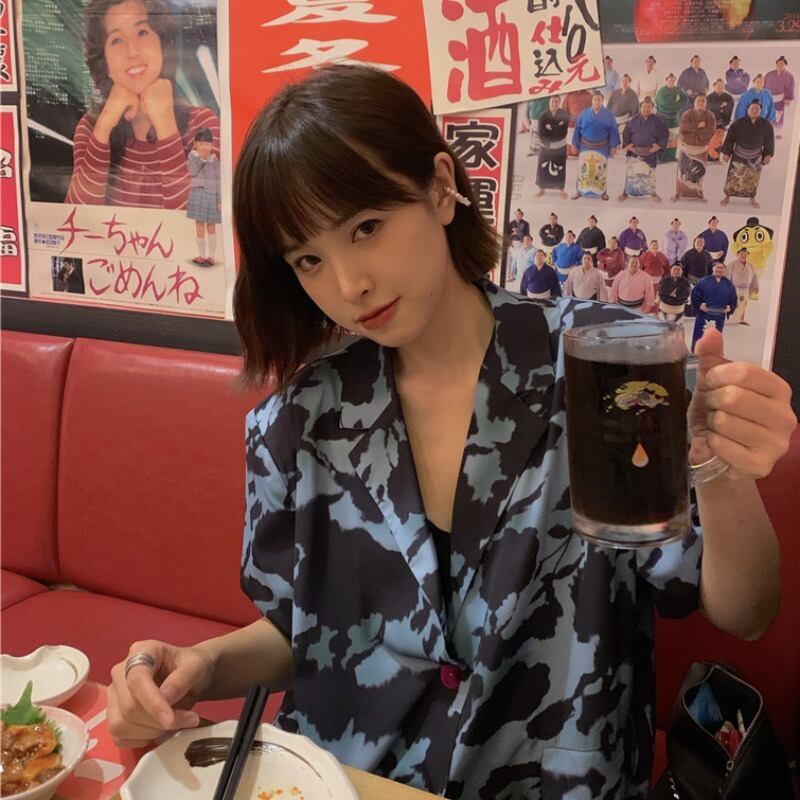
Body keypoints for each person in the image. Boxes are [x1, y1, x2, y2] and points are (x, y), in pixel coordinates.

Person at [106, 64, 796, 800]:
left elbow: (746, 612)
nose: (348, 284)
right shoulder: (299, 419)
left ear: (440, 187)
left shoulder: (604, 368)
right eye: (309, 259)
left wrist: (722, 472)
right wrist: (202, 666)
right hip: (347, 783)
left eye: (365, 228)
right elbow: (297, 630)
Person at [65, 0, 220, 208]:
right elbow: (77, 217)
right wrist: (105, 124)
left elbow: (203, 217)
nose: (132, 52)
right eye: (117, 40)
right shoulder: (91, 127)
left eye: (142, 33)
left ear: (162, 44)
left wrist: (165, 124)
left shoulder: (202, 125)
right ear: (105, 62)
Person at [720, 99, 775, 209]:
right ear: (748, 109)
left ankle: (752, 198)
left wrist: (768, 154)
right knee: (733, 177)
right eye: (752, 108)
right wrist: (726, 153)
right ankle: (727, 196)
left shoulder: (766, 125)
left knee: (752, 179)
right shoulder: (737, 124)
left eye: (757, 109)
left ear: (760, 111)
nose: (754, 110)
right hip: (738, 156)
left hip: (756, 157)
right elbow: (729, 139)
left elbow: (769, 141)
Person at [571, 92, 620, 200]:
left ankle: (603, 191)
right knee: (583, 170)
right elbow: (577, 129)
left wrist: (613, 146)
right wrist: (574, 144)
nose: (597, 102)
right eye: (595, 100)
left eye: (599, 100)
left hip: (601, 147)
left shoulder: (609, 115)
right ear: (592, 101)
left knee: (601, 170)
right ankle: (579, 191)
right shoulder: (584, 113)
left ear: (602, 101)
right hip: (585, 146)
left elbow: (614, 130)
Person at [619, 98, 668, 201]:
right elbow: (626, 133)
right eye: (644, 106)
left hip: (650, 152)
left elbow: (665, 134)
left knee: (650, 174)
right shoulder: (633, 120)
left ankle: (653, 193)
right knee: (631, 174)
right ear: (640, 107)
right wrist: (628, 145)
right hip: (635, 151)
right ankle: (626, 192)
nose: (646, 109)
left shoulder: (658, 121)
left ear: (652, 108)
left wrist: (658, 146)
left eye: (649, 107)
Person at [672, 94, 715, 202]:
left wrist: (695, 135)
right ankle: (678, 193)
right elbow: (683, 127)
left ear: (706, 103)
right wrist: (697, 125)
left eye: (703, 101)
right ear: (694, 102)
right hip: (686, 147)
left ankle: (699, 193)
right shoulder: (687, 114)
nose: (700, 103)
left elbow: (710, 131)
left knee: (700, 172)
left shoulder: (710, 115)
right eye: (698, 101)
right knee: (682, 171)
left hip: (701, 148)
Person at [187, 127, 221, 266]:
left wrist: (219, 200)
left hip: (212, 195)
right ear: (195, 144)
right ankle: (201, 255)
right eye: (201, 143)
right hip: (198, 193)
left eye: (207, 144)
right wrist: (202, 158)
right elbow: (193, 172)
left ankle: (211, 256)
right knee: (199, 225)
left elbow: (219, 181)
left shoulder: (215, 160)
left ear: (212, 145)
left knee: (211, 226)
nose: (204, 147)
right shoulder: (192, 156)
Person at [691, 262, 738, 350]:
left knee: (715, 336)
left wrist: (730, 307)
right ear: (713, 268)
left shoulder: (729, 284)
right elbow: (695, 295)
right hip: (704, 313)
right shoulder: (703, 281)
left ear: (724, 270)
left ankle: (713, 354)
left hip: (720, 315)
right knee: (700, 334)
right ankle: (696, 352)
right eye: (717, 267)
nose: (719, 269)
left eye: (721, 268)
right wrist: (700, 304)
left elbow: (733, 299)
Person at [535, 95, 570, 198]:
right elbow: (542, 132)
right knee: (543, 167)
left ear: (559, 103)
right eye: (552, 102)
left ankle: (561, 189)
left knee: (560, 167)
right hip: (546, 145)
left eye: (556, 102)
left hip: (560, 145)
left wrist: (551, 127)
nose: (554, 104)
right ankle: (541, 189)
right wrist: (557, 127)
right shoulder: (543, 115)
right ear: (549, 103)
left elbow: (563, 130)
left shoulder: (564, 114)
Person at [655, 74, 688, 163]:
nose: (672, 82)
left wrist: (677, 106)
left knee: (673, 137)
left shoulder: (677, 89)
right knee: (663, 137)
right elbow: (663, 103)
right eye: (670, 80)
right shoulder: (662, 91)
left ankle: (671, 157)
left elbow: (685, 98)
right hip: (663, 117)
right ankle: (661, 157)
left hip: (674, 117)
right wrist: (674, 105)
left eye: (673, 81)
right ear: (666, 81)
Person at [681, 236, 714, 316]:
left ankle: (701, 312)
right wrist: (685, 280)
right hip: (690, 280)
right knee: (690, 298)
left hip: (703, 281)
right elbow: (683, 268)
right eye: (698, 242)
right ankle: (689, 313)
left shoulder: (707, 254)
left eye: (701, 242)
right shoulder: (688, 254)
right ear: (694, 243)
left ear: (704, 243)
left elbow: (710, 269)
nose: (699, 243)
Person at [763, 56, 794, 137]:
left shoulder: (789, 76)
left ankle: (777, 132)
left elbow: (790, 87)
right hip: (768, 98)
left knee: (778, 116)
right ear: (776, 64)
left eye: (782, 64)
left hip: (780, 99)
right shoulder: (769, 74)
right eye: (779, 63)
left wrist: (788, 98)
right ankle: (765, 132)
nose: (780, 65)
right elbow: (763, 84)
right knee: (767, 114)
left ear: (785, 65)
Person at [728, 246, 759, 325]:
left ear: (747, 255)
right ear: (737, 255)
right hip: (734, 288)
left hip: (746, 289)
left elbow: (755, 277)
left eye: (745, 254)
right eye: (741, 254)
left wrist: (756, 286)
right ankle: (728, 318)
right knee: (733, 304)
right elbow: (727, 277)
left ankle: (741, 319)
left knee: (743, 304)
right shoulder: (732, 264)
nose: (743, 256)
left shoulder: (751, 266)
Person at [707, 79, 735, 163]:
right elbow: (709, 107)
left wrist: (721, 109)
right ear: (714, 86)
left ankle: (716, 157)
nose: (720, 87)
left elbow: (730, 107)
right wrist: (720, 106)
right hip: (711, 123)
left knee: (718, 141)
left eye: (722, 86)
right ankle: (708, 158)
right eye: (718, 85)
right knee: (710, 140)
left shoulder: (728, 97)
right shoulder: (709, 97)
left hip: (722, 122)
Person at [607, 73, 640, 144]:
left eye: (626, 81)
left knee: (622, 138)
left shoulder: (633, 94)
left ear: (629, 82)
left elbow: (635, 110)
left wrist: (630, 122)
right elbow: (609, 105)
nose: (624, 82)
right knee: (611, 137)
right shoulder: (615, 92)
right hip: (613, 119)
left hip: (625, 120)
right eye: (622, 80)